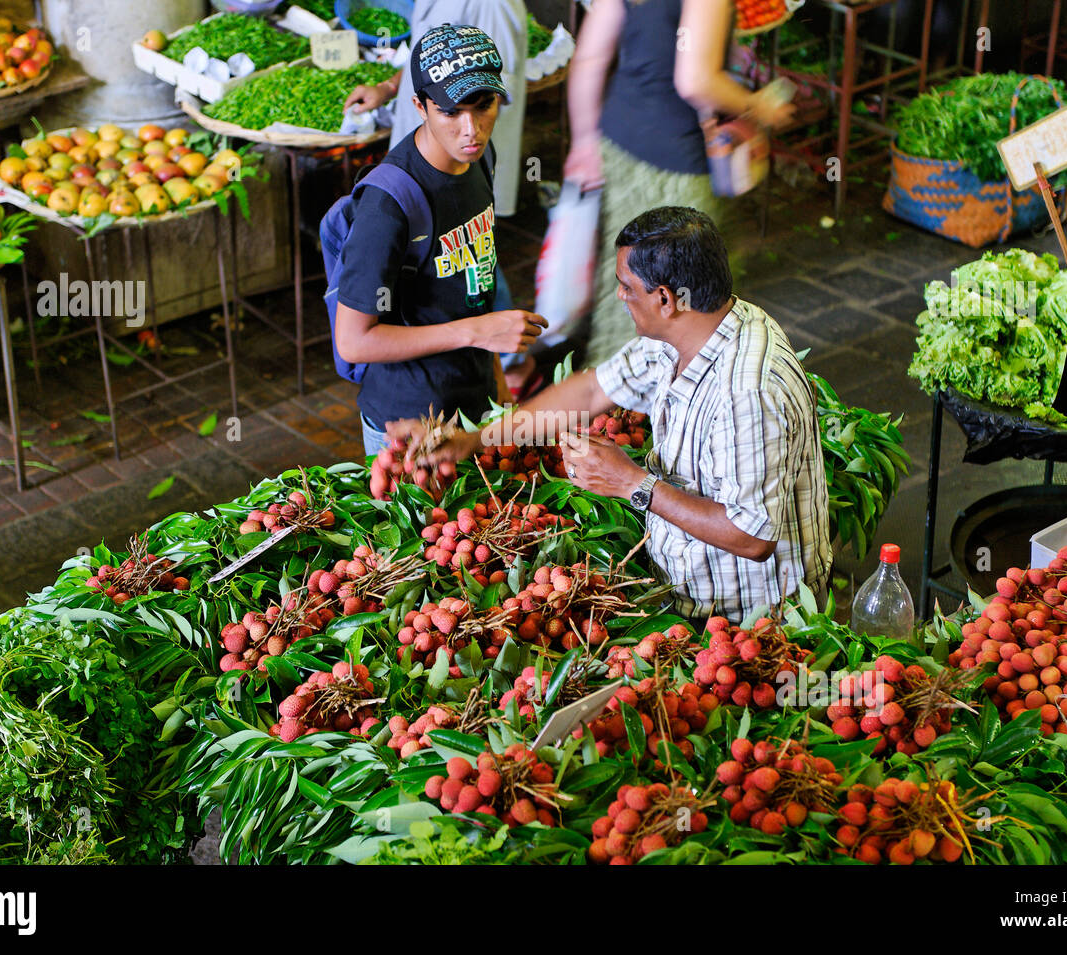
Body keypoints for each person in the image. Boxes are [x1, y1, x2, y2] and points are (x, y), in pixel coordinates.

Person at [391, 206, 831, 621]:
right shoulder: (686, 331)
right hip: (689, 593)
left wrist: (632, 484)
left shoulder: (747, 393)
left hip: (751, 618)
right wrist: (475, 440)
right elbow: (588, 392)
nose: (619, 295)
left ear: (665, 299)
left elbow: (752, 536)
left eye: (627, 286)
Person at [332, 24, 546, 455]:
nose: (472, 129)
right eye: (451, 111)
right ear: (419, 106)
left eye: (483, 105)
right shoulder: (388, 203)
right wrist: (477, 331)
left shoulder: (481, 159)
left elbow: (476, 285)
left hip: (476, 406)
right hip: (410, 419)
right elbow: (353, 341)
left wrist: (500, 392)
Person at [565, 0, 794, 367]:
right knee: (686, 309)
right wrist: (758, 105)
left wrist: (583, 141)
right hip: (674, 168)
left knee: (627, 295)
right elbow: (695, 81)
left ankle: (610, 404)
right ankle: (669, 410)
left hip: (620, 143)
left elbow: (590, 57)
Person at [344, 0, 528, 220]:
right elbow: (433, 61)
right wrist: (388, 87)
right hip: (424, 156)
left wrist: (441, 173)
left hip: (454, 172)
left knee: (451, 235)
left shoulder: (490, 4)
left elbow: (492, 89)